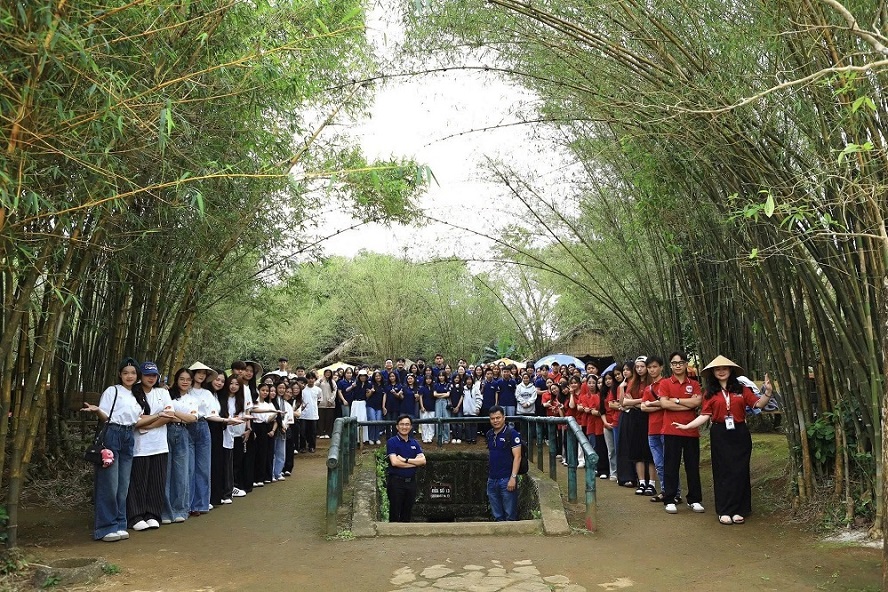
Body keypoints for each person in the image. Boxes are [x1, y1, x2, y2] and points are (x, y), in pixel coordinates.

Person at [673, 355, 775, 525]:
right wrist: (687, 426)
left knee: (740, 470)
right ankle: (725, 510)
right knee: (723, 471)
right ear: (713, 372)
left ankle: (739, 509)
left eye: (724, 368)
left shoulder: (742, 389)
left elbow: (758, 404)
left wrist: (768, 393)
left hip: (740, 432)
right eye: (718, 369)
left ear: (730, 371)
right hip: (720, 432)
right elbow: (705, 415)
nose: (721, 372)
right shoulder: (710, 392)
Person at [83, 357, 143, 541]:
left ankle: (119, 523)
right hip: (112, 434)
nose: (129, 376)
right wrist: (96, 410)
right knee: (109, 483)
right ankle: (105, 527)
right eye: (125, 373)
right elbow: (106, 416)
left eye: (133, 373)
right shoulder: (112, 391)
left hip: (128, 436)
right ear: (119, 374)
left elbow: (138, 419)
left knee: (123, 484)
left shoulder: (137, 395)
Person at [127, 361, 172, 532]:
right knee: (139, 480)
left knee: (157, 481)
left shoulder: (162, 393)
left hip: (160, 444)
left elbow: (170, 415)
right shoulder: (132, 394)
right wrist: (155, 418)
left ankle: (153, 514)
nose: (151, 378)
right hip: (139, 445)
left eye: (154, 375)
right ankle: (136, 515)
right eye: (147, 375)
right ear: (140, 376)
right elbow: (135, 421)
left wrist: (150, 423)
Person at [658, 351, 703, 514]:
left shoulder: (694, 383)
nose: (678, 365)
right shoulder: (665, 383)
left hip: (691, 429)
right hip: (671, 429)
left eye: (681, 362)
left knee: (692, 466)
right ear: (670, 365)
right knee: (671, 465)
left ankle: (695, 499)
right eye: (675, 363)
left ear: (686, 365)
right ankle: (669, 499)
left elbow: (698, 401)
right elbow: (664, 404)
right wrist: (688, 404)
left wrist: (675, 400)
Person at [386, 415, 426, 522]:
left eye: (407, 424)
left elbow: (423, 461)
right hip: (396, 482)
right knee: (395, 511)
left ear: (411, 427)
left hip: (411, 482)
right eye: (402, 424)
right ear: (397, 427)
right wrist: (415, 463)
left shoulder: (414, 443)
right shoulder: (392, 441)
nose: (405, 427)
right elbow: (394, 462)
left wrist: (405, 460)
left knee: (407, 512)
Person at [485, 406, 522, 521]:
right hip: (492, 479)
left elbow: (518, 457)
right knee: (497, 515)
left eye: (498, 418)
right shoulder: (489, 434)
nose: (495, 421)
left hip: (506, 478)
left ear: (504, 418)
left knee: (510, 514)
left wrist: (513, 478)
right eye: (492, 418)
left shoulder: (512, 433)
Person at [317, 368, 337, 438]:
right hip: (321, 403)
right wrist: (320, 380)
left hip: (330, 404)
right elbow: (315, 386)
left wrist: (331, 400)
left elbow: (334, 392)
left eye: (329, 372)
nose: (328, 374)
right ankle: (321, 433)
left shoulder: (333, 382)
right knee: (321, 419)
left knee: (329, 419)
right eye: (326, 372)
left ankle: (328, 433)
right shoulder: (320, 380)